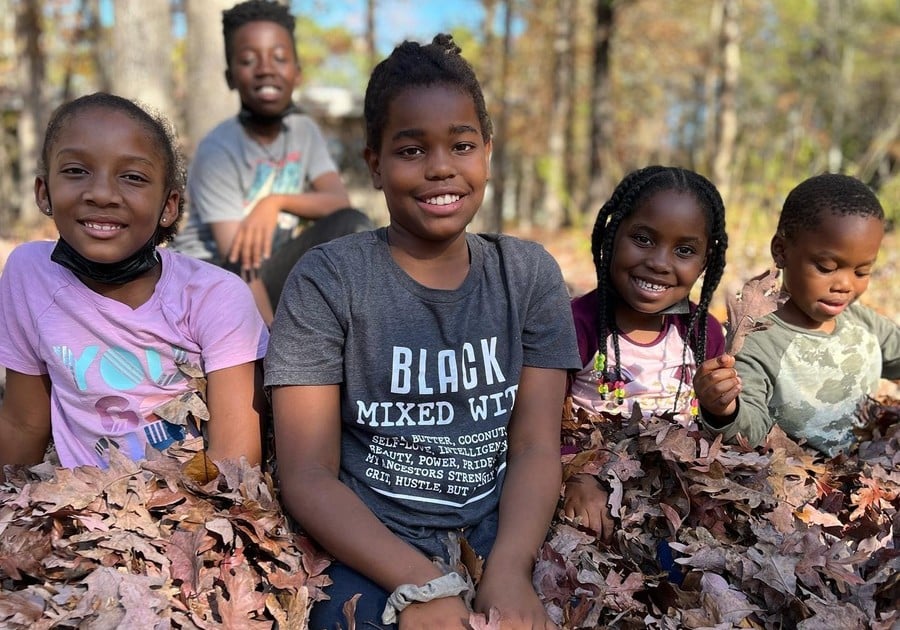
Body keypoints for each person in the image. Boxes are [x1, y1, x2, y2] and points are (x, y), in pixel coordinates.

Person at [264, 34, 581, 629]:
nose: (441, 167)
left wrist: (510, 569)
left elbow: (536, 445)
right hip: (366, 538)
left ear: (486, 151)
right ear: (375, 164)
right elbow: (306, 474)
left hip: (498, 527)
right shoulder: (329, 280)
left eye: (461, 145)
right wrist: (420, 586)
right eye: (411, 150)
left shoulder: (527, 274)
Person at [0, 93, 268, 475]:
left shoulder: (215, 297)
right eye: (76, 171)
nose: (103, 194)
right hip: (79, 510)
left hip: (191, 510)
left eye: (133, 177)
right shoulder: (29, 274)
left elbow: (234, 461)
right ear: (43, 192)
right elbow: (23, 424)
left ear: (169, 206)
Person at [173, 0, 372, 325]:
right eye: (249, 60)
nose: (266, 68)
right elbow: (240, 262)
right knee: (242, 267)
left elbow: (338, 203)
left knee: (352, 224)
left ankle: (359, 334)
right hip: (214, 278)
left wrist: (275, 202)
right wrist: (272, 350)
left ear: (296, 73)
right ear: (230, 77)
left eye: (279, 58)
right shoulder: (218, 149)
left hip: (267, 269)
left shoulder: (304, 132)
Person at [563, 165, 729, 539]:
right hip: (595, 483)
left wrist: (721, 408)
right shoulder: (580, 324)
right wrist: (574, 472)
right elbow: (539, 418)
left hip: (676, 488)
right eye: (642, 238)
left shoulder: (704, 334)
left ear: (705, 263)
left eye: (684, 250)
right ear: (611, 235)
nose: (659, 262)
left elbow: (714, 427)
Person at [696, 173, 900, 456]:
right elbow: (750, 431)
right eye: (826, 267)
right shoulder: (757, 341)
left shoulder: (863, 324)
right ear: (781, 251)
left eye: (861, 271)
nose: (844, 285)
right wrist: (723, 410)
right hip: (796, 485)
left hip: (865, 474)